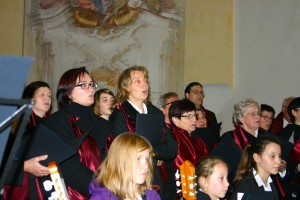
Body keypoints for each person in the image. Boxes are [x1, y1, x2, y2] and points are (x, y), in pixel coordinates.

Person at [24, 67, 111, 199]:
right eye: (83, 85)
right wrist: (103, 191)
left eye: (92, 84)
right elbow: (69, 167)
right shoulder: (56, 122)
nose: (91, 89)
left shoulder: (104, 123)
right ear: (68, 92)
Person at [109, 66, 178, 200]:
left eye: (145, 80)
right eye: (138, 81)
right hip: (132, 180)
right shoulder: (120, 114)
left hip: (160, 176)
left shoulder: (156, 113)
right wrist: (155, 151)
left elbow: (172, 148)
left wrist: (150, 151)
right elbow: (123, 151)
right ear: (126, 87)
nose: (144, 84)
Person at [3, 81, 52, 200]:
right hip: (25, 187)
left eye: (49, 95)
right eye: (42, 94)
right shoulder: (15, 125)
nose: (47, 98)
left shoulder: (53, 124)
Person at [89, 132, 161, 200]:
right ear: (119, 162)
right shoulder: (102, 197)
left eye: (147, 159)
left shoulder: (152, 196)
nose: (146, 166)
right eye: (138, 158)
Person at [231, 135, 281, 200]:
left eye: (279, 156)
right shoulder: (245, 187)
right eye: (272, 156)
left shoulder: (271, 185)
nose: (278, 161)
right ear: (257, 158)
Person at [278, 97, 300, 199]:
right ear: (294, 112)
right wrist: (296, 168)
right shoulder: (287, 134)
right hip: (293, 187)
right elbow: (283, 162)